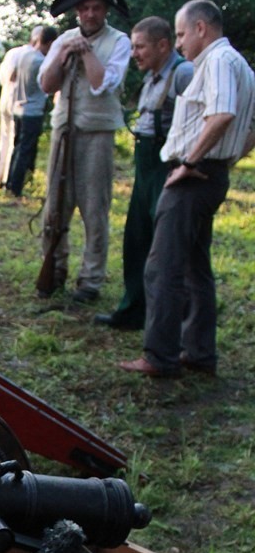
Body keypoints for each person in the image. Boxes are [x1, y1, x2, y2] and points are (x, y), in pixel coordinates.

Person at [120, 0, 255, 378]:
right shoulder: (239, 64)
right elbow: (249, 124)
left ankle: (159, 356)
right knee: (196, 267)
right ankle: (198, 352)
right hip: (210, 173)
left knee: (163, 266)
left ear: (200, 28)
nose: (178, 43)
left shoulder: (217, 62)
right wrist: (225, 162)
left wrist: (193, 162)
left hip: (193, 176)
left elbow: (223, 114)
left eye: (180, 34)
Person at [38, 0, 131, 303]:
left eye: (96, 8)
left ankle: (90, 280)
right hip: (63, 133)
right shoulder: (63, 39)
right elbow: (47, 84)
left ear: (105, 10)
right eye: (85, 8)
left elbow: (102, 83)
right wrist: (63, 54)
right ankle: (55, 269)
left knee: (95, 210)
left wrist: (88, 53)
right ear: (77, 11)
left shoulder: (119, 42)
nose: (90, 14)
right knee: (55, 208)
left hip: (97, 134)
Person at [95, 17, 193, 331]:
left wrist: (188, 163)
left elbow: (201, 120)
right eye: (134, 47)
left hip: (168, 164)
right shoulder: (152, 76)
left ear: (163, 45)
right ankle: (134, 310)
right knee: (137, 239)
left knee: (166, 247)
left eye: (140, 47)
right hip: (145, 164)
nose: (134, 53)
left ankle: (176, 320)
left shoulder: (183, 73)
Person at [6, 26, 57, 197]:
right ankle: (16, 188)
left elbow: (12, 76)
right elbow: (48, 87)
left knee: (17, 148)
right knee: (25, 150)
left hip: (18, 107)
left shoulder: (23, 55)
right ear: (49, 43)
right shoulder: (41, 62)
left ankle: (10, 182)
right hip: (32, 110)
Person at [0, 34, 37, 187]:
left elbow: (1, 76)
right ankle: (6, 178)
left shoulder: (13, 52)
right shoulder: (31, 56)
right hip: (17, 102)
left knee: (3, 136)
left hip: (4, 98)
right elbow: (12, 76)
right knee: (13, 140)